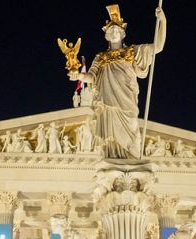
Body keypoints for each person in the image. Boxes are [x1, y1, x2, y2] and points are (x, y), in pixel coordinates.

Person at [68, 4, 166, 159]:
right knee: (111, 139)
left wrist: (162, 21)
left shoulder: (132, 52)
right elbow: (92, 77)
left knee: (132, 129)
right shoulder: (100, 57)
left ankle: (132, 160)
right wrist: (79, 76)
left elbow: (158, 47)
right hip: (108, 102)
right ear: (106, 35)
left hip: (126, 99)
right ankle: (113, 160)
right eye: (110, 31)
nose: (114, 33)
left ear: (123, 33)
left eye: (116, 30)